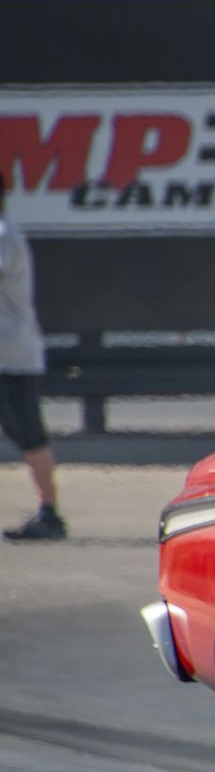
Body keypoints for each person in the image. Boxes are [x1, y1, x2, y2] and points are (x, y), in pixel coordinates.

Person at [0, 170, 64, 541]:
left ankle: (50, 513)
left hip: (12, 358)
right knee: (25, 435)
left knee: (29, 436)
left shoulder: (4, 235)